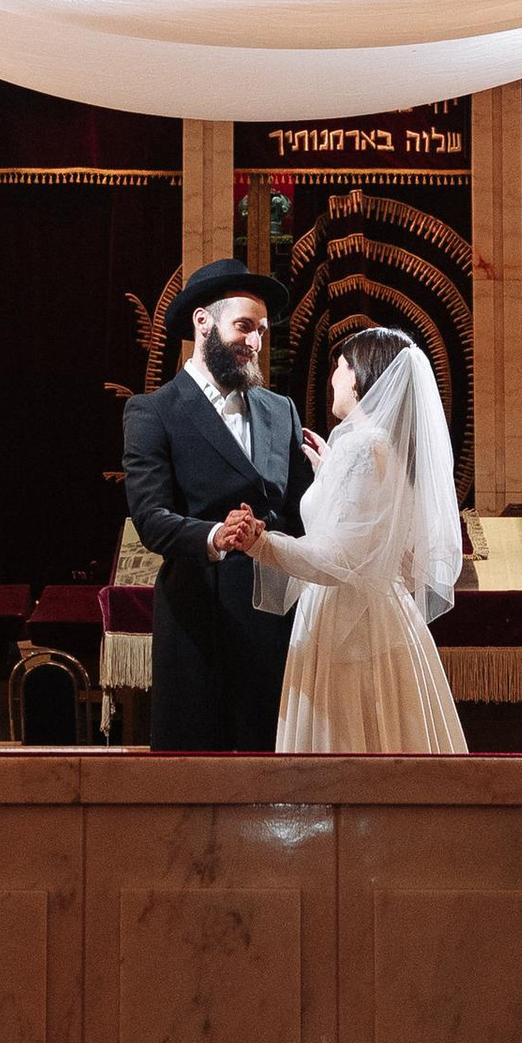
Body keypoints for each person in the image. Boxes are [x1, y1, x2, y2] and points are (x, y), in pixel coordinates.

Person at [120, 262, 312, 753]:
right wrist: (213, 536)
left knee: (270, 775)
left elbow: (296, 511)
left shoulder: (281, 410)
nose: (255, 342)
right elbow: (151, 518)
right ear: (203, 322)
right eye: (244, 326)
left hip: (274, 622)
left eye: (263, 332)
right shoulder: (153, 411)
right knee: (194, 776)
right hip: (197, 621)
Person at [261, 324, 469, 756]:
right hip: (386, 613)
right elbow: (382, 541)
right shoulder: (387, 448)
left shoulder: (362, 448)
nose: (333, 377)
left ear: (359, 376)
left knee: (346, 744)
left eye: (339, 366)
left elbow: (336, 558)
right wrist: (328, 472)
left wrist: (260, 545)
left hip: (345, 620)